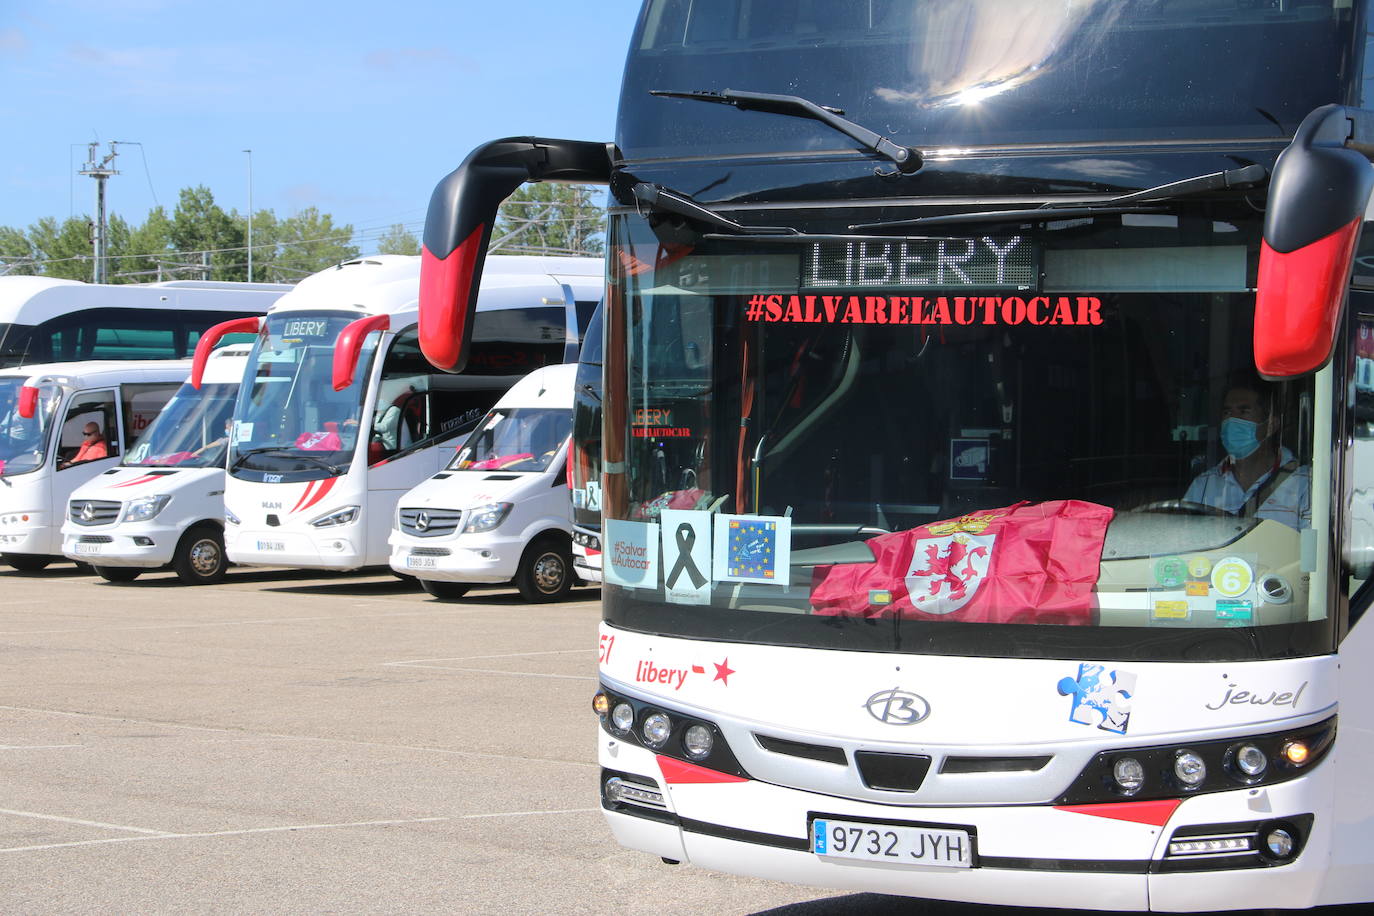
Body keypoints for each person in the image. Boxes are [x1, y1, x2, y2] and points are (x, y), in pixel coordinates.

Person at [1183, 373, 1310, 530]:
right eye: (1227, 413)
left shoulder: (1304, 484)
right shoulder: (1203, 485)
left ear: (1271, 424)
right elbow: (1185, 543)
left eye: (1244, 412)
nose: (1232, 421)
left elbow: (1312, 549)